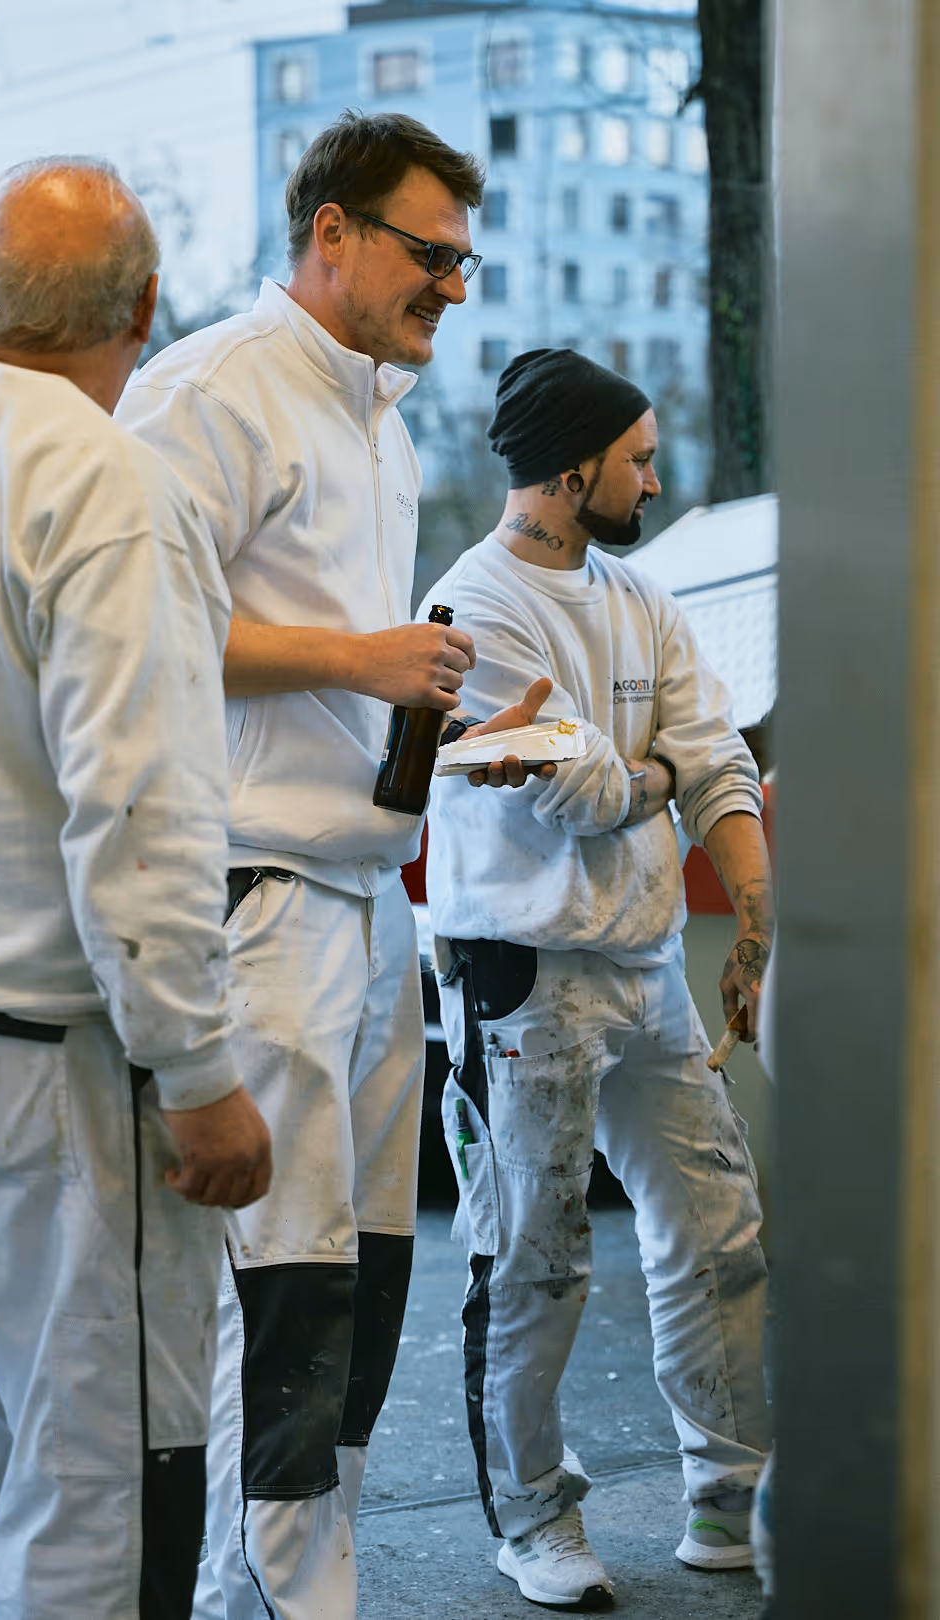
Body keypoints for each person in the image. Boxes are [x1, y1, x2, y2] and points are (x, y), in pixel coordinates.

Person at [0, 157, 271, 1620]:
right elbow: (142, 807)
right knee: (94, 1470)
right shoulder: (108, 486)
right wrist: (200, 1064)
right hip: (46, 1054)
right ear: (148, 309)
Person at [116, 110, 500, 1620]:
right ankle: (279, 1590)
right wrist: (358, 653)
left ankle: (282, 1574)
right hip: (254, 896)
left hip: (363, 890)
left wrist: (431, 707)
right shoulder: (209, 391)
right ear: (329, 230)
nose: (453, 285)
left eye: (466, 261)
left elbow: (346, 673)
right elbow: (135, 630)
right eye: (430, 252)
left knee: (363, 1269)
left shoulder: (379, 415)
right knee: (279, 1274)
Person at [421, 347, 773, 1610]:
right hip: (524, 974)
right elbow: (582, 795)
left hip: (640, 968)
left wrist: (753, 913)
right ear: (572, 469)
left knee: (718, 1225)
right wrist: (659, 777)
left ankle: (725, 1492)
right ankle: (533, 1520)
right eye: (635, 456)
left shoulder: (643, 596)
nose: (655, 473)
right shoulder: (470, 610)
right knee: (534, 1257)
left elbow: (714, 749)